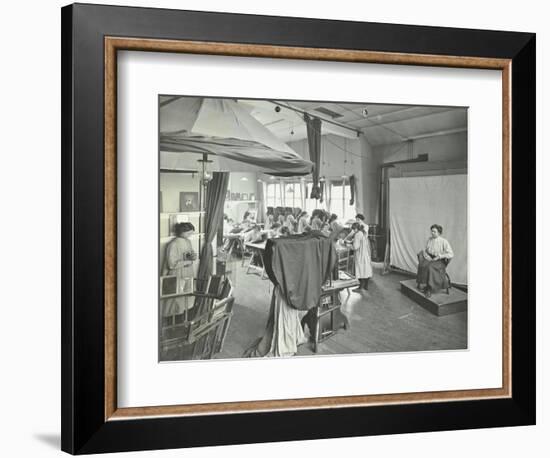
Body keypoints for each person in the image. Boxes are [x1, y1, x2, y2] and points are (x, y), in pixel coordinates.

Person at [162, 222, 197, 316]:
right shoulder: (173, 244)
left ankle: (183, 316)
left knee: (187, 297)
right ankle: (173, 318)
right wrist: (187, 262)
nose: (190, 235)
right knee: (175, 299)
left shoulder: (188, 242)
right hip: (177, 273)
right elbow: (171, 264)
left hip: (188, 273)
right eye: (189, 233)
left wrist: (193, 256)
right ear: (182, 232)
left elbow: (190, 254)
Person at [416, 224, 454, 297]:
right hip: (431, 258)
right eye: (431, 231)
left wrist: (439, 256)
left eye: (434, 232)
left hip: (440, 260)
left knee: (430, 267)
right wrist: (427, 257)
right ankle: (424, 284)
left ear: (439, 233)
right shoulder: (429, 239)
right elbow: (426, 250)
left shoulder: (444, 241)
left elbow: (451, 254)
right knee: (423, 265)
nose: (432, 233)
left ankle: (430, 289)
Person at [347, 222, 373, 292]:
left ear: (355, 228)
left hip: (360, 254)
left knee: (360, 270)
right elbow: (360, 241)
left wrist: (348, 245)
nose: (353, 231)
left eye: (353, 229)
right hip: (365, 253)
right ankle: (366, 286)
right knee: (366, 269)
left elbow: (355, 247)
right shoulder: (362, 232)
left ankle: (360, 286)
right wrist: (352, 241)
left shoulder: (357, 234)